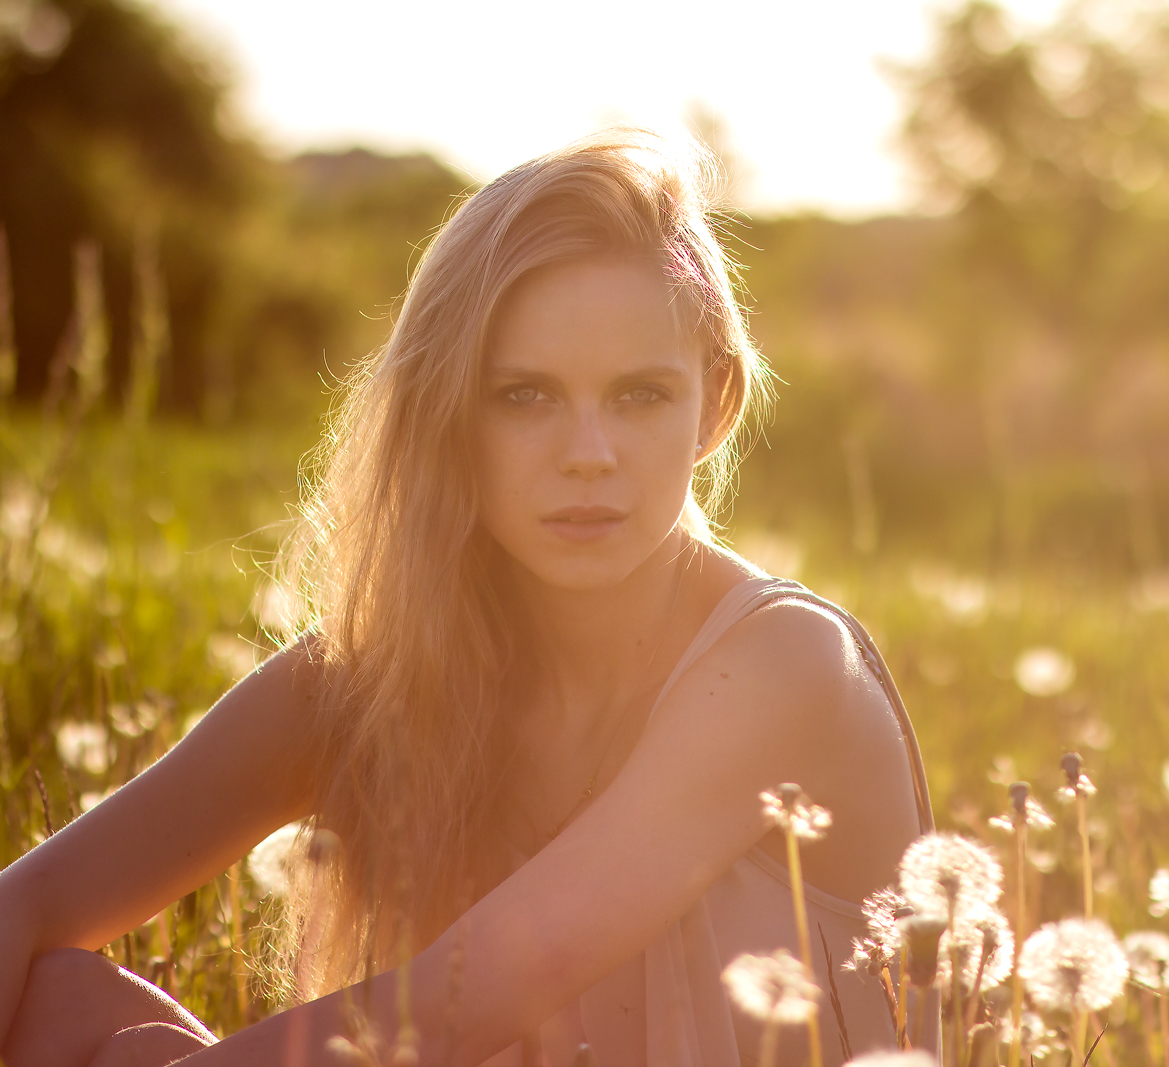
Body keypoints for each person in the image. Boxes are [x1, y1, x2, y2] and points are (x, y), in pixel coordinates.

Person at [0, 128, 933, 1067]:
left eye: (641, 395)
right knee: (59, 1004)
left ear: (716, 404)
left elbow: (460, 1006)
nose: (588, 452)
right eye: (524, 395)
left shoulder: (784, 664)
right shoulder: (384, 672)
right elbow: (30, 902)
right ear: (447, 410)